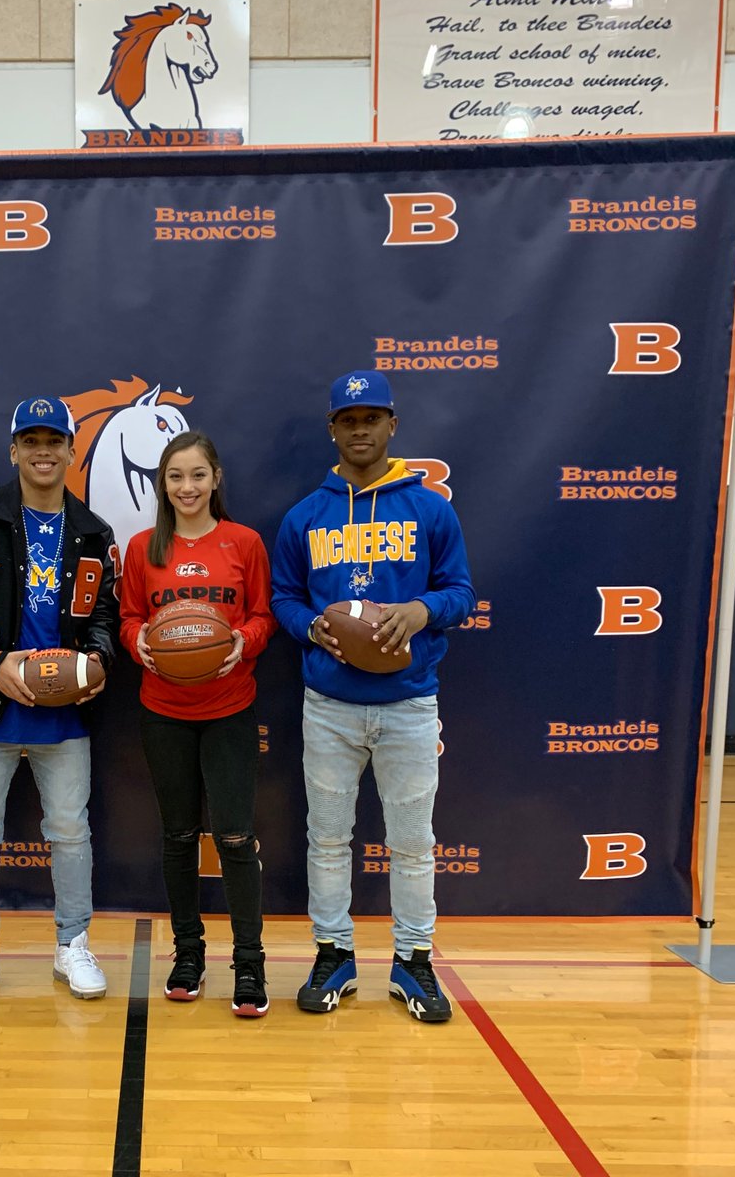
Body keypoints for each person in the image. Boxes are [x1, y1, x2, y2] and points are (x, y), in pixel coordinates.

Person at [270, 372, 475, 1022]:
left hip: (408, 704)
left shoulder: (431, 510)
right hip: (329, 705)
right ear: (332, 429)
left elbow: (461, 592)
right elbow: (283, 597)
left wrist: (422, 609)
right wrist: (310, 627)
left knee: (412, 842)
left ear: (393, 425)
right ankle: (334, 953)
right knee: (328, 838)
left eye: (371, 418)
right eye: (348, 419)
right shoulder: (306, 516)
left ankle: (413, 960)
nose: (360, 429)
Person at [0, 396, 118, 1006]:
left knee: (70, 832)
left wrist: (97, 663)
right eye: (30, 441)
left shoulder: (94, 531)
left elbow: (106, 615)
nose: (43, 451)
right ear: (13, 451)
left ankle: (73, 943)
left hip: (64, 712)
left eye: (54, 440)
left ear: (71, 450)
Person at [119, 432, 277, 1016]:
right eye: (175, 477)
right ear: (162, 484)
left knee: (234, 837)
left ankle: (250, 963)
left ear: (216, 479)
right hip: (164, 711)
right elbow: (129, 617)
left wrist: (243, 640)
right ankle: (188, 953)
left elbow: (263, 614)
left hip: (230, 709)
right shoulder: (143, 548)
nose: (187, 487)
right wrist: (139, 642)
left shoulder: (244, 542)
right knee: (179, 836)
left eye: (197, 475)